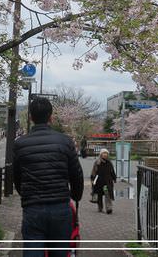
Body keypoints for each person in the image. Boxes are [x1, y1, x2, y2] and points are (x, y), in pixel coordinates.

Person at [13, 97, 84, 257]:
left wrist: (26, 195)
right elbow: (76, 174)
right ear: (51, 117)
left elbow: (17, 177)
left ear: (30, 117)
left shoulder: (20, 144)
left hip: (33, 208)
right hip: (60, 207)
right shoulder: (65, 142)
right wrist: (76, 195)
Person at [90, 148, 117, 214]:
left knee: (107, 194)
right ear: (101, 154)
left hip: (107, 181)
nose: (105, 155)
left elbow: (112, 171)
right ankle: (100, 207)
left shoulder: (109, 162)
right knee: (99, 195)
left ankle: (109, 208)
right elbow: (94, 171)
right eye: (103, 153)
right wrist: (92, 179)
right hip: (99, 181)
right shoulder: (97, 162)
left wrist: (114, 178)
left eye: (106, 153)